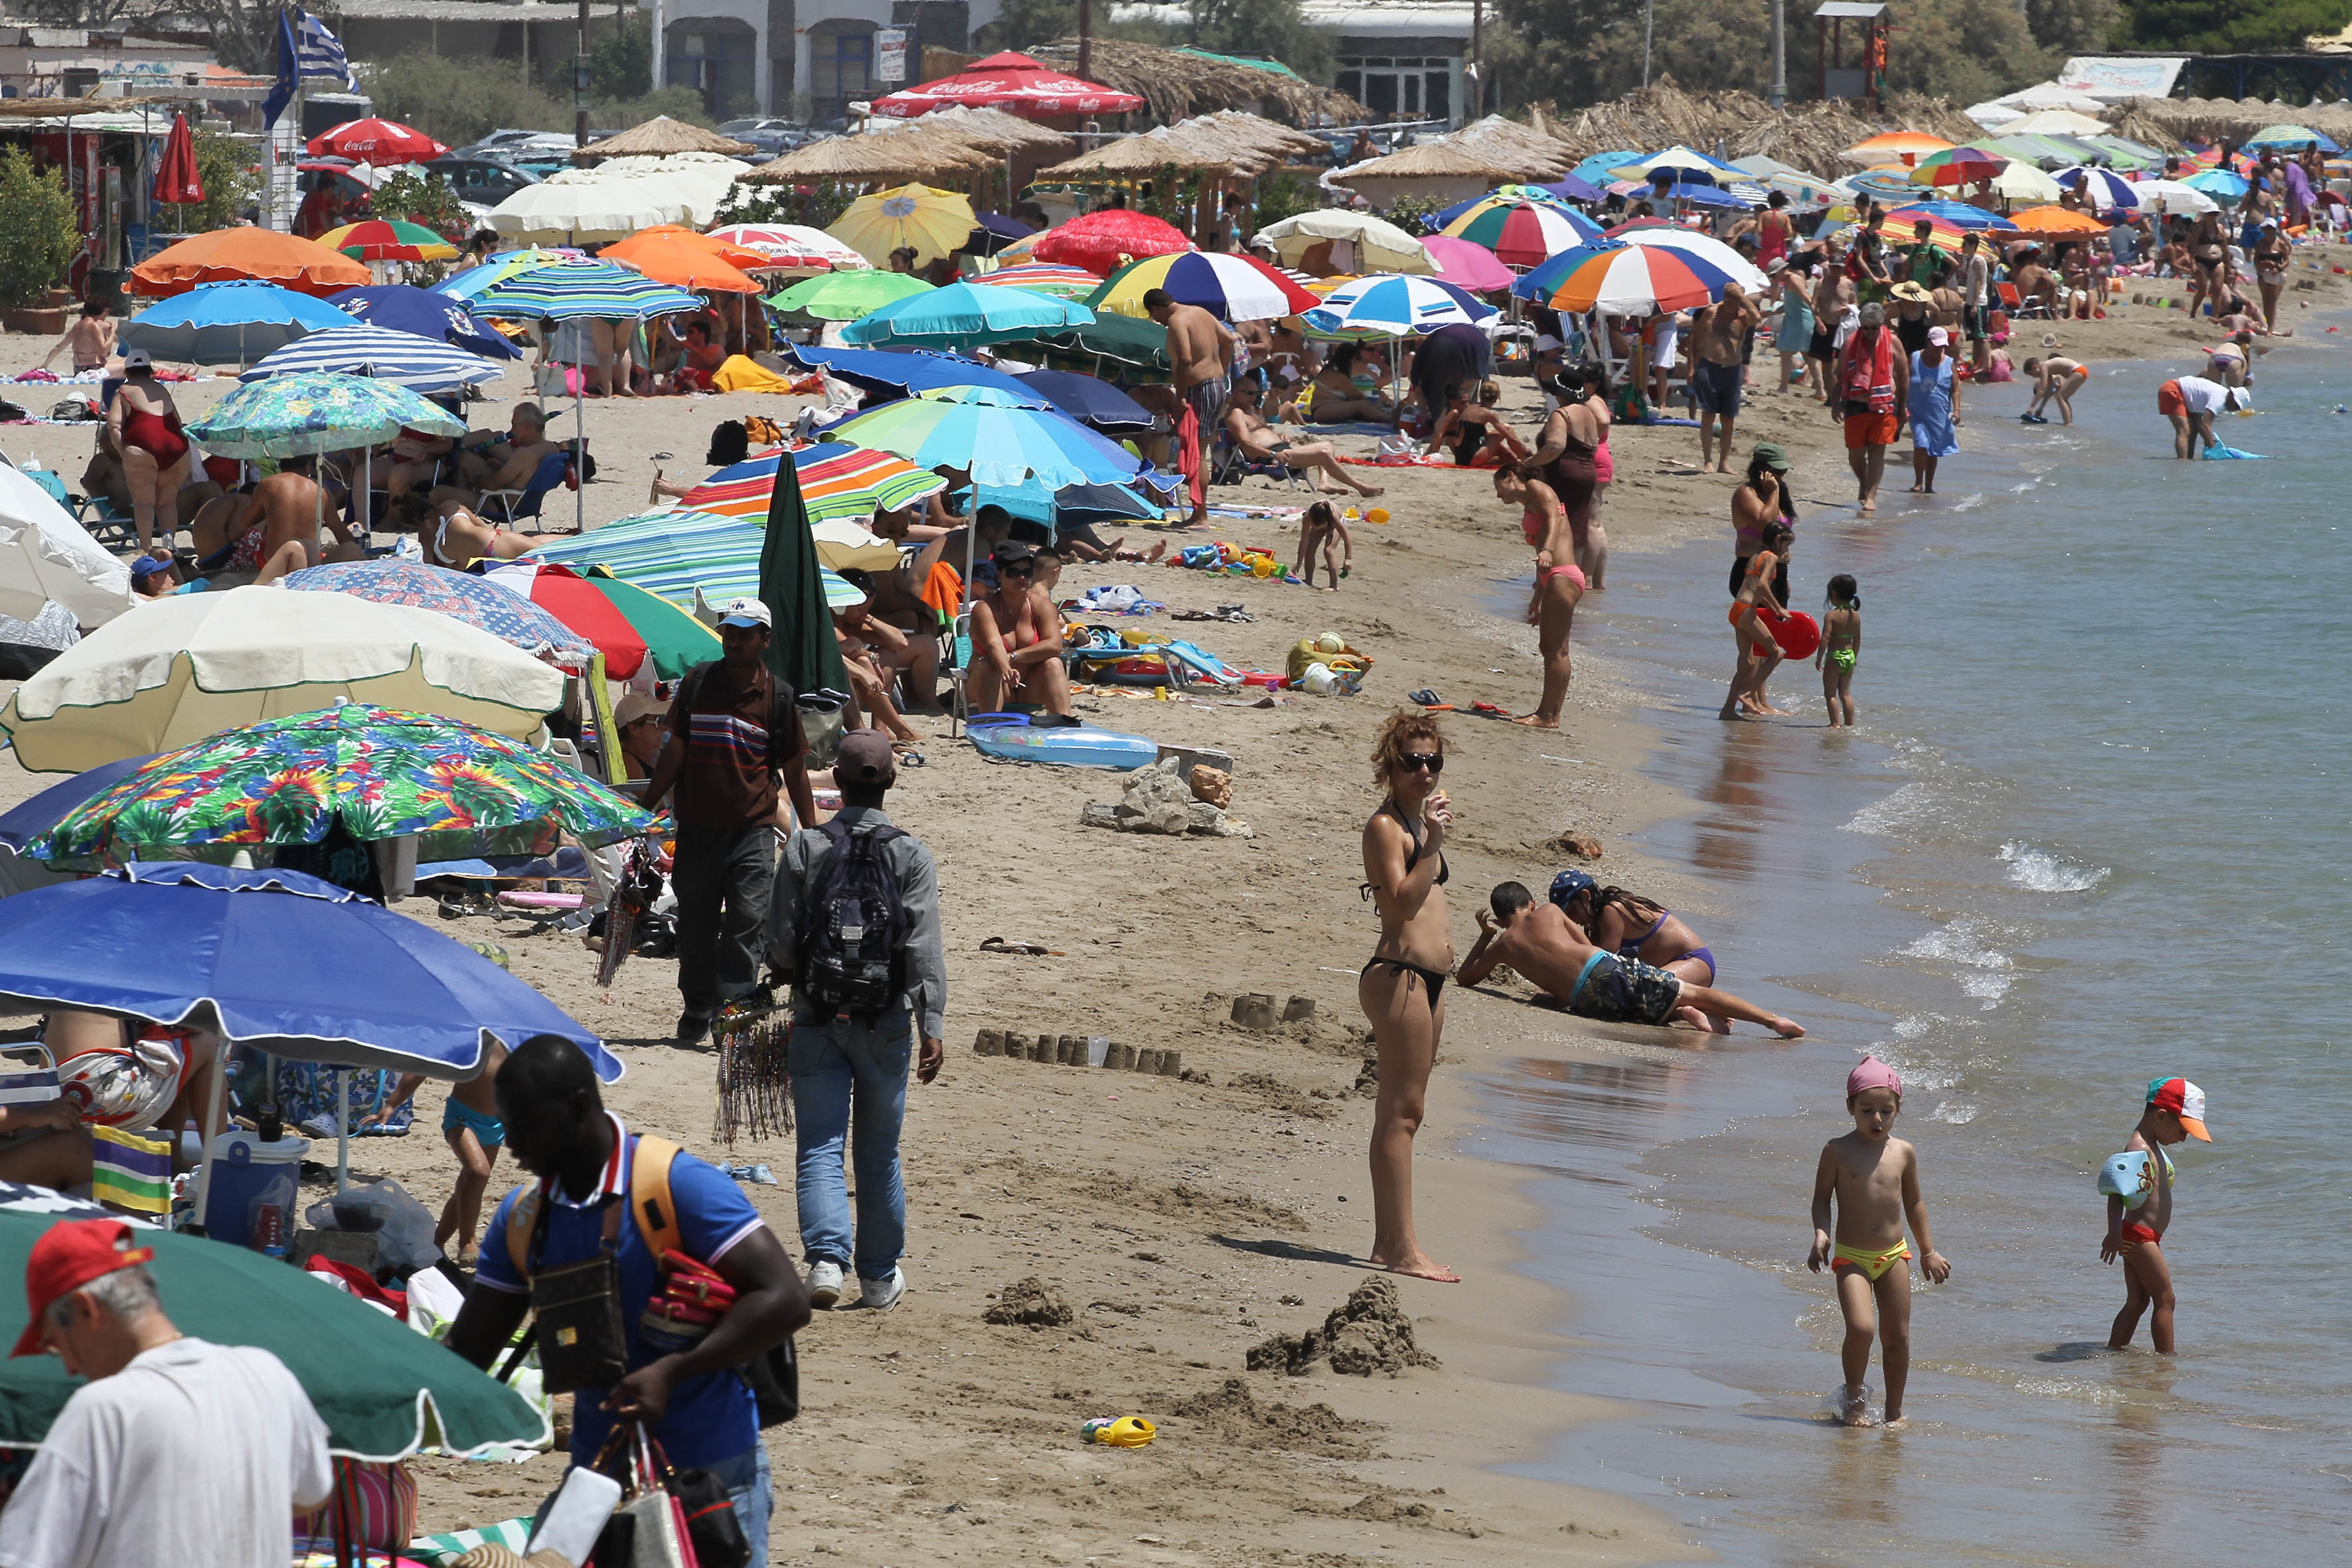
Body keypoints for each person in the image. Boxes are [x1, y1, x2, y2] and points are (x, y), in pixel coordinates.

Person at [447, 1036, 809, 1563]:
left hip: (711, 1475)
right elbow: (472, 1343)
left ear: (576, 1107)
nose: (513, 1142)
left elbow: (785, 1299)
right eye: (507, 1123)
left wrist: (673, 1371)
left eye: (524, 1124)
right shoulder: (523, 1218)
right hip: (596, 1479)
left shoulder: (678, 1184)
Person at [0, 1218, 333, 1567]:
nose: (68, 1368)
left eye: (54, 1344)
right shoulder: (268, 1375)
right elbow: (311, 1493)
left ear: (86, 1309)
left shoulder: (105, 1410)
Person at [767, 730, 945, 1310]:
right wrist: (932, 1024)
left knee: (819, 1146)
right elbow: (923, 949)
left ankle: (824, 1262)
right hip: (886, 1021)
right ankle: (875, 1277)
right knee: (879, 1154)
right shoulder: (911, 855)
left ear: (835, 782)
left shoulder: (804, 847)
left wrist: (792, 974)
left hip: (817, 1014)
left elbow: (781, 941)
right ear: (890, 781)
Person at [635, 597, 817, 1043]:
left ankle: (734, 1013)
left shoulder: (779, 697)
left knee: (747, 922)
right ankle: (698, 1006)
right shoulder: (698, 683)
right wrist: (644, 807)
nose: (733, 641)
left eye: (744, 634)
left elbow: (794, 769)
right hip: (697, 829)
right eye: (728, 632)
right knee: (695, 927)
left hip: (752, 832)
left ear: (765, 640)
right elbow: (675, 751)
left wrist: (813, 835)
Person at [1356, 711, 1457, 1283]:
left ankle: (1385, 1243)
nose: (1422, 771)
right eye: (1410, 762)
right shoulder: (1386, 828)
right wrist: (1436, 843)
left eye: (1431, 761)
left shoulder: (1418, 827)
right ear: (1389, 770)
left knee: (1407, 1111)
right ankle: (1402, 1250)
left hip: (1429, 981)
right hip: (1399, 976)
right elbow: (1398, 906)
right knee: (1401, 1113)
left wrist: (1433, 838)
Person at [1806, 1056, 1952, 1427]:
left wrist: (1928, 1251)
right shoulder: (1836, 1150)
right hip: (1851, 1257)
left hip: (1894, 1256)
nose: (1877, 1119)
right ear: (1850, 1107)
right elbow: (1822, 1198)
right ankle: (1854, 1400)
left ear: (1898, 1110)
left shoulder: (1904, 1152)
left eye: (1886, 1111)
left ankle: (1894, 1410)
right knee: (1861, 1328)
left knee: (1897, 1336)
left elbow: (1915, 1203)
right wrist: (1821, 1233)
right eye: (1867, 1110)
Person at [1458, 882, 1804, 1036]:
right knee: (1689, 992)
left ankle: (1706, 1025)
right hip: (1601, 969)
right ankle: (1772, 1021)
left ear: (1501, 920)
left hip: (1583, 1000)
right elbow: (1588, 948)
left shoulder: (1502, 946)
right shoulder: (1548, 912)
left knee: (1641, 1015)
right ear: (1530, 904)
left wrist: (1486, 937)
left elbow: (1465, 978)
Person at [375, 1040, 509, 1267]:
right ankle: (467, 1241)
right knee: (478, 1173)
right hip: (462, 1118)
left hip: (497, 1124)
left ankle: (436, 1244)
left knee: (468, 1189)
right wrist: (391, 1104)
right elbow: (424, 1065)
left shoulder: (516, 1039)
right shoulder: (472, 1037)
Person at [2103, 1077, 2210, 1354]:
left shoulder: (2151, 1147)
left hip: (2141, 1235)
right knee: (2166, 1299)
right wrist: (2114, 1232)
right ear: (2162, 1116)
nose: (2184, 1138)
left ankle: (2114, 1349)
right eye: (2183, 1130)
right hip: (2139, 1236)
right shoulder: (2139, 1148)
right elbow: (2117, 1193)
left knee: (2138, 1301)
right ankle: (2167, 1360)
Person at [1547, 870, 1723, 1028]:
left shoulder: (1612, 911)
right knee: (1631, 1001)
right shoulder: (1594, 927)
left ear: (1586, 897)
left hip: (1694, 961)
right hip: (1670, 967)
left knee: (1640, 1001)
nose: (1572, 920)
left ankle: (1694, 1013)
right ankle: (1694, 1010)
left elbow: (1602, 964)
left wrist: (1559, 993)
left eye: (1571, 911)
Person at [1492, 467, 1582, 728]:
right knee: (1556, 650)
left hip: (1562, 574)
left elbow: (1554, 516)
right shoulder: (1530, 506)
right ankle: (1551, 715)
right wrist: (1538, 596)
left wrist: (1548, 550)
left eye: (1498, 488)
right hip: (1552, 578)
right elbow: (1539, 553)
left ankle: (1547, 716)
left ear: (1510, 477)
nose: (1498, 496)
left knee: (1553, 650)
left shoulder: (1535, 486)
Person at [1144, 288, 1237, 527]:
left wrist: (1181, 397)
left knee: (1197, 451)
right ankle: (1199, 514)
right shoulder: (1200, 313)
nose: (1158, 322)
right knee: (1197, 447)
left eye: (1155, 317)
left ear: (1156, 309)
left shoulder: (1176, 321)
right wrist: (1221, 371)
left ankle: (1200, 516)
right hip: (1215, 385)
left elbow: (1185, 360)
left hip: (1200, 389)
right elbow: (1229, 341)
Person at [1221, 381, 1384, 499]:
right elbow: (1246, 443)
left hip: (1281, 448)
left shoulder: (1250, 412)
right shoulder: (1236, 414)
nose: (1252, 397)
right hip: (1271, 456)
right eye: (1247, 393)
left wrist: (1279, 438)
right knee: (1323, 454)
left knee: (1328, 444)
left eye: (1255, 393)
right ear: (1234, 392)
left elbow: (1261, 434)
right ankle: (1361, 487)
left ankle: (1324, 482)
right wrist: (1272, 454)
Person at [967, 540, 1072, 716]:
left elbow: (1055, 645)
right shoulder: (985, 608)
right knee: (988, 664)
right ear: (1000, 575)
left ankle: (1063, 725)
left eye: (1027, 572)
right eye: (1014, 573)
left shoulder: (1041, 605)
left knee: (1054, 663)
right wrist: (1005, 668)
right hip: (990, 684)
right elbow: (994, 645)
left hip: (1028, 689)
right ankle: (990, 725)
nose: (1022, 578)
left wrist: (1013, 657)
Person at [104, 349, 189, 554]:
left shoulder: (124, 391)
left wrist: (124, 452)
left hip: (143, 445)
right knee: (167, 502)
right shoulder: (161, 390)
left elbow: (114, 425)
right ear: (150, 371)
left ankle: (147, 548)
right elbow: (177, 421)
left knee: (144, 502)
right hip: (177, 445)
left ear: (128, 372)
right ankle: (168, 544)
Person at [1835, 302, 1906, 516]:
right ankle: (1864, 482)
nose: (1869, 332)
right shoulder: (1851, 342)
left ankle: (1872, 496)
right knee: (1856, 455)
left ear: (1882, 324)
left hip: (1885, 405)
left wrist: (1903, 409)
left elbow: (1904, 377)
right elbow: (1839, 374)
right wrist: (1835, 402)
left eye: (1874, 328)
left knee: (1877, 454)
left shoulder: (1893, 342)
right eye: (1865, 327)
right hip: (1856, 403)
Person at [1721, 520, 1794, 721]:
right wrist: (1780, 608)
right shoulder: (1770, 557)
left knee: (1747, 663)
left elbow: (1754, 589)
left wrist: (1773, 609)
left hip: (1737, 609)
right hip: (1747, 612)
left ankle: (1727, 711)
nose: (1787, 551)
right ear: (1778, 540)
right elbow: (1762, 586)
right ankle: (1748, 695)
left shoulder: (1755, 557)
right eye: (1786, 545)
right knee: (1776, 654)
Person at [1691, 283, 1759, 473]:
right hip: (1709, 366)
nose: (1729, 302)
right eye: (1728, 297)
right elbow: (1695, 338)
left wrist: (1743, 299)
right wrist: (1692, 367)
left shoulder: (1743, 317)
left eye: (1734, 299)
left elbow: (1757, 318)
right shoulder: (1712, 313)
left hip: (1733, 369)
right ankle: (1707, 461)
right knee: (1708, 416)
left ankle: (1724, 462)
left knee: (1728, 419)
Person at [1425, 380, 1527, 469]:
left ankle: (1521, 459)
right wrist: (1434, 455)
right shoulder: (1487, 414)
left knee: (1507, 458)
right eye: (1463, 402)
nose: (1466, 405)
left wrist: (1507, 452)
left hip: (1461, 457)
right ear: (1496, 399)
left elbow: (1486, 436)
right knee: (1507, 428)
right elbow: (1510, 437)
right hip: (1470, 457)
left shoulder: (1469, 409)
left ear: (1480, 395)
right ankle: (1527, 458)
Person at [1908, 325, 1960, 493]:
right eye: (1936, 345)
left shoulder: (1949, 363)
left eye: (1943, 346)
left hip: (1939, 414)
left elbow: (1956, 388)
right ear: (1929, 342)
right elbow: (1903, 381)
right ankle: (1918, 482)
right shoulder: (1915, 358)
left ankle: (1929, 485)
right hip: (1916, 413)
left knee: (1932, 451)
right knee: (1921, 445)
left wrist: (1957, 410)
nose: (1940, 349)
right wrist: (1900, 405)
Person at [2157, 372, 2246, 457]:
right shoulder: (2220, 398)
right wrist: (2214, 449)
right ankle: (2182, 464)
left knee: (2193, 430)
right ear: (2232, 395)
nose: (2234, 410)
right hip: (2172, 389)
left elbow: (2199, 423)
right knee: (2184, 431)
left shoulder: (2218, 395)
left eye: (2238, 408)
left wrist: (2209, 442)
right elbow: (2205, 426)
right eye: (2236, 405)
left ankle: (2189, 460)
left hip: (2180, 393)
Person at [1304, 343, 1395, 424]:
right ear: (1351, 360)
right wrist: (1377, 411)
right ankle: (1391, 420)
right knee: (1362, 406)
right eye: (1356, 362)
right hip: (1320, 410)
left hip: (1321, 408)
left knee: (1360, 408)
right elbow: (1358, 397)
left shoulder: (1330, 371)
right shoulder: (1336, 375)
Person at [1817, 573, 1861, 726]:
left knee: (1830, 695)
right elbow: (1857, 639)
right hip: (1849, 656)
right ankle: (1849, 724)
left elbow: (1825, 638)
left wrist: (1819, 658)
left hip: (1834, 657)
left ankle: (1835, 724)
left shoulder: (1831, 616)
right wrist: (1854, 657)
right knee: (1846, 694)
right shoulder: (1855, 616)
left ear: (1834, 594)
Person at [1769, 259, 1815, 394]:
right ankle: (1819, 389)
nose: (1772, 279)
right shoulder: (1787, 282)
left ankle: (1785, 388)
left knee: (1801, 355)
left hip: (1802, 320)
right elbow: (1789, 305)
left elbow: (1807, 299)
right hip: (1793, 320)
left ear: (1782, 271)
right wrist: (1767, 313)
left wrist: (1818, 318)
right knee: (1804, 356)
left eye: (1773, 276)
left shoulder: (1794, 280)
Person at [40, 299, 116, 374]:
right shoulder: (94, 326)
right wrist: (113, 333)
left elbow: (58, 348)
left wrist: (45, 364)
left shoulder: (77, 326)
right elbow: (104, 352)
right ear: (99, 312)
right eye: (106, 311)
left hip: (78, 369)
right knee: (124, 364)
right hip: (94, 368)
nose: (107, 314)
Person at [1296, 498, 1349, 591]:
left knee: (1329, 551)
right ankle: (1308, 580)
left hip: (1333, 525)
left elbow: (1347, 538)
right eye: (1312, 526)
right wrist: (1299, 563)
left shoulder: (1334, 519)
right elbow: (1304, 540)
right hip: (1322, 519)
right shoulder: (1308, 518)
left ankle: (1334, 586)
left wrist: (1348, 558)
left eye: (1316, 527)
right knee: (1309, 549)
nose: (1313, 528)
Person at [2021, 354, 2086, 425]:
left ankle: (2068, 424)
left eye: (2031, 374)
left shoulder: (2044, 367)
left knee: (2060, 396)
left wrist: (2032, 407)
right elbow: (2048, 392)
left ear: (2035, 367)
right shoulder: (2049, 370)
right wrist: (2040, 409)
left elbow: (2042, 389)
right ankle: (2069, 423)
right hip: (2080, 372)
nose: (2033, 377)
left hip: (2078, 371)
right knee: (2063, 398)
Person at [2250, 219, 2289, 329]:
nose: (2268, 231)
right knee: (2265, 300)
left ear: (2274, 229)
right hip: (2262, 275)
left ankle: (2270, 328)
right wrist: (2265, 263)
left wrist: (2280, 268)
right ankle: (2267, 325)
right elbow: (2256, 261)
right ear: (2263, 230)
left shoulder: (2280, 244)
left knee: (2272, 302)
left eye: (2271, 229)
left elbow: (2287, 260)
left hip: (2276, 275)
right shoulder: (2259, 244)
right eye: (2266, 229)